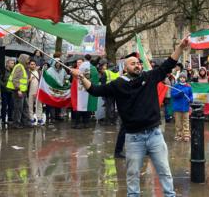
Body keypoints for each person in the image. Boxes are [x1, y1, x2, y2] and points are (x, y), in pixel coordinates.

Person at [71, 35, 190, 197]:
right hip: (134, 138)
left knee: (164, 171)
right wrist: (81, 77)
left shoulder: (149, 77)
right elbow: (95, 90)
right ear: (125, 68)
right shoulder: (118, 84)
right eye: (132, 63)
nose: (137, 65)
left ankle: (170, 195)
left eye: (138, 63)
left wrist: (181, 47)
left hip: (155, 135)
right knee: (133, 174)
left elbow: (168, 64)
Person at [6, 54, 32, 129]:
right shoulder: (19, 67)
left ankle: (26, 122)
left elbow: (22, 79)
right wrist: (18, 90)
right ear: (23, 59)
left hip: (22, 91)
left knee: (24, 107)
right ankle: (16, 123)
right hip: (18, 91)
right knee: (18, 108)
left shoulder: (23, 67)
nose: (28, 61)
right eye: (27, 59)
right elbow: (16, 79)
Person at [171, 73, 193, 142]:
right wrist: (179, 94)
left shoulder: (188, 86)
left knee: (186, 121)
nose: (182, 79)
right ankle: (179, 134)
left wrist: (191, 99)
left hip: (186, 107)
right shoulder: (176, 86)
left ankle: (186, 134)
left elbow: (191, 95)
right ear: (179, 78)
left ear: (186, 78)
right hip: (177, 107)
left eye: (184, 77)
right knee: (178, 122)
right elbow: (173, 95)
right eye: (181, 77)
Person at [45, 58, 68, 124]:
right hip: (52, 89)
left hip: (60, 88)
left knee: (58, 103)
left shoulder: (63, 70)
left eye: (59, 62)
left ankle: (57, 116)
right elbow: (47, 79)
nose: (58, 64)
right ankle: (52, 117)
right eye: (57, 62)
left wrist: (66, 81)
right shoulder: (49, 70)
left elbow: (66, 77)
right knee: (52, 104)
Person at [28, 60, 43, 126]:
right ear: (29, 65)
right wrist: (29, 80)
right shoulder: (27, 72)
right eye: (31, 64)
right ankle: (31, 118)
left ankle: (39, 118)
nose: (33, 65)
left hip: (38, 92)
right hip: (29, 92)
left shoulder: (39, 72)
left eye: (34, 64)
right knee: (30, 106)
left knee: (39, 106)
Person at [1, 59, 15, 124]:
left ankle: (10, 118)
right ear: (7, 64)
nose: (13, 64)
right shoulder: (3, 71)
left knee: (11, 105)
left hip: (11, 91)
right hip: (5, 91)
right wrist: (5, 86)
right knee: (4, 105)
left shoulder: (13, 71)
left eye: (13, 63)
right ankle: (3, 119)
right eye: (11, 63)